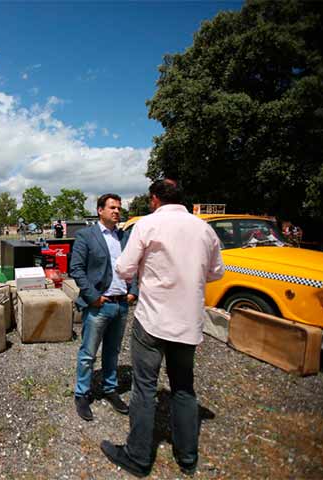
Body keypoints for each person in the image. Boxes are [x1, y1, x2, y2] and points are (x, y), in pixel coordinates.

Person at [99, 179, 224, 477]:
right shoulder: (204, 229)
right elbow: (216, 272)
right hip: (188, 322)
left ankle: (138, 457)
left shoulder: (147, 225)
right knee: (183, 388)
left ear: (154, 199)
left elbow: (124, 269)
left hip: (153, 321)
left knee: (144, 388)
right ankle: (187, 458)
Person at [69, 193, 138, 422]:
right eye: (112, 207)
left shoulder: (124, 236)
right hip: (100, 305)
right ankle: (82, 393)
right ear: (100, 210)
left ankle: (110, 389)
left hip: (121, 304)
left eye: (119, 208)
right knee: (88, 354)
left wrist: (133, 292)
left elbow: (135, 266)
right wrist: (93, 297)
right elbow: (76, 269)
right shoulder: (86, 236)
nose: (117, 211)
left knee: (113, 351)